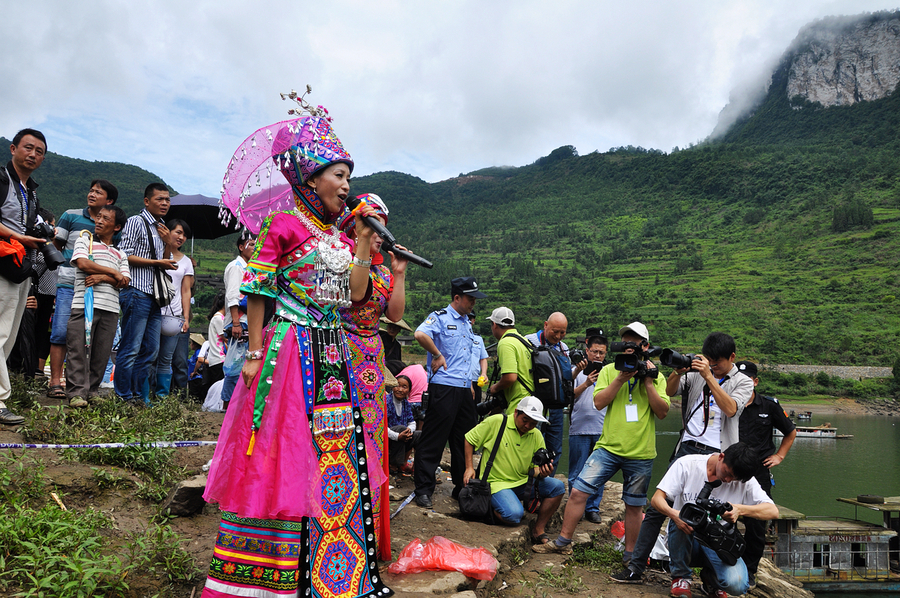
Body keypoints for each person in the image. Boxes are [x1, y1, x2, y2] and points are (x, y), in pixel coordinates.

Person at [200, 109, 391, 598]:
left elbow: (352, 297)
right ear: (311, 177)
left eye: (349, 177)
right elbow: (258, 285)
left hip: (332, 350)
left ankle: (332, 571)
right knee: (282, 450)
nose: (347, 186)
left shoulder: (342, 237)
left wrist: (365, 246)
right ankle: (265, 576)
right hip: (289, 348)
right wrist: (255, 350)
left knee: (331, 454)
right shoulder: (282, 224)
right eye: (339, 175)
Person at [615, 331, 754, 583]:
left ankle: (712, 575)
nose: (711, 365)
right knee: (659, 510)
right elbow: (669, 392)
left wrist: (709, 376)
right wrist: (679, 371)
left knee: (712, 515)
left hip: (719, 457)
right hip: (687, 449)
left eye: (717, 362)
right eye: (708, 360)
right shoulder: (695, 373)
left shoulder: (742, 381)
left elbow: (731, 409)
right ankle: (636, 567)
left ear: (732, 357)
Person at [535, 322, 669, 558]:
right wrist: (620, 378)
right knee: (578, 492)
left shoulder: (656, 376)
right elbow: (599, 403)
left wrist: (647, 381)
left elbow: (662, 412)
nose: (629, 347)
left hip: (641, 452)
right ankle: (563, 541)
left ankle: (631, 557)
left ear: (645, 346)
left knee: (635, 505)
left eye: (634, 342)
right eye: (625, 342)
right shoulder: (609, 371)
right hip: (608, 447)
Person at [337, 192, 408, 560]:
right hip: (342, 350)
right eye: (372, 223)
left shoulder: (381, 269)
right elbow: (356, 293)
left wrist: (398, 274)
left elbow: (394, 316)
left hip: (371, 356)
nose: (380, 232)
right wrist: (364, 246)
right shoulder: (342, 260)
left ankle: (370, 529)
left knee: (372, 437)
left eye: (382, 225)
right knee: (343, 433)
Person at [650, 443, 776, 598]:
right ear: (721, 456)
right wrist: (674, 514)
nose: (728, 480)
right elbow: (656, 499)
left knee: (738, 585)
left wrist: (739, 509)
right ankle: (681, 577)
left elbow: (773, 511)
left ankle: (711, 580)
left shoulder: (744, 480)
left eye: (733, 478)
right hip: (686, 536)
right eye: (727, 473)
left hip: (717, 542)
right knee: (683, 516)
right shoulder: (687, 464)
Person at [412, 275, 487, 508]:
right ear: (457, 297)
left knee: (463, 439)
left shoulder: (467, 323)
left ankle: (461, 487)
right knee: (434, 438)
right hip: (444, 386)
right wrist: (437, 353)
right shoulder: (440, 318)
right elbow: (419, 334)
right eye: (469, 298)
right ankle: (423, 489)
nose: (473, 303)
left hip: (465, 389)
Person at [47, 179, 118, 400]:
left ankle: (83, 386)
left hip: (98, 289)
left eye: (99, 192)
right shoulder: (71, 215)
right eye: (91, 190)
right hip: (69, 282)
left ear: (109, 201)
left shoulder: (111, 225)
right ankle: (55, 381)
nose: (92, 194)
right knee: (61, 332)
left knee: (88, 338)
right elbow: (56, 245)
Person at [464, 396, 565, 542]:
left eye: (533, 423)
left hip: (524, 481)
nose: (528, 426)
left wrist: (543, 473)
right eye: (525, 420)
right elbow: (469, 439)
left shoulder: (536, 434)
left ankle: (538, 529)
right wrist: (469, 467)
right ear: (516, 412)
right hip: (497, 483)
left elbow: (535, 469)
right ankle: (490, 508)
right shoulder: (498, 421)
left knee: (558, 487)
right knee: (513, 515)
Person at [0, 129, 48, 426]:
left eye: (39, 151)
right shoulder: (2, 180)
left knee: (9, 337)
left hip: (20, 267)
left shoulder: (30, 191)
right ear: (13, 148)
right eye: (28, 148)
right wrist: (19, 236)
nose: (33, 154)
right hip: (3, 262)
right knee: (0, 334)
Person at [736, 360, 797, 584]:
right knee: (723, 517)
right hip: (732, 470)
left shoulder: (769, 406)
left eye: (748, 380)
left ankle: (750, 569)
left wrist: (779, 456)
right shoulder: (729, 403)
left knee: (756, 523)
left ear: (755, 381)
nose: (743, 384)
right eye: (738, 380)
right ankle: (724, 563)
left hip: (759, 472)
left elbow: (790, 432)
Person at [116, 183, 176, 405]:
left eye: (167, 200)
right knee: (131, 347)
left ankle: (139, 396)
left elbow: (165, 261)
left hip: (154, 296)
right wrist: (156, 261)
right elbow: (124, 255)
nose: (164, 203)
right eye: (160, 199)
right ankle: (124, 396)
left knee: (151, 350)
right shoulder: (135, 222)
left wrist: (168, 244)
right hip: (136, 291)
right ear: (147, 201)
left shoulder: (161, 227)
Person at [65, 205, 130, 407]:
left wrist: (104, 276)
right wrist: (114, 274)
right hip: (83, 305)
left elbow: (125, 280)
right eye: (98, 217)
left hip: (110, 309)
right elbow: (83, 264)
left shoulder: (121, 254)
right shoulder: (85, 240)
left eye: (105, 219)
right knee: (78, 349)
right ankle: (76, 393)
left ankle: (91, 390)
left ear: (116, 226)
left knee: (101, 353)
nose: (99, 221)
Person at [568, 331, 608, 524]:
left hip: (602, 430)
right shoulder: (576, 370)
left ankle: (592, 508)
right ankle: (574, 507)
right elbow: (568, 396)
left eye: (601, 352)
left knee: (598, 473)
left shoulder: (610, 373)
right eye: (594, 352)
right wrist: (586, 383)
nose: (598, 356)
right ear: (587, 351)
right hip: (579, 428)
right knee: (576, 471)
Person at [525, 312, 571, 473]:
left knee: (555, 449)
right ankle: (529, 484)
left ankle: (548, 483)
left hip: (556, 406)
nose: (558, 336)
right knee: (532, 445)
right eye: (555, 331)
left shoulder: (564, 348)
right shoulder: (529, 342)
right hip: (534, 405)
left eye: (563, 332)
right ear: (545, 325)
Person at [155, 218, 195, 397]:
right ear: (166, 231)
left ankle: (166, 397)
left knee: (170, 358)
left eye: (185, 235)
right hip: (154, 310)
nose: (181, 237)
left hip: (174, 315)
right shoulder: (155, 253)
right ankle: (147, 393)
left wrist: (185, 318)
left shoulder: (186, 261)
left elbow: (186, 291)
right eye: (178, 232)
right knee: (151, 355)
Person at [219, 228, 255, 410]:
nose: (254, 248)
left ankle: (236, 404)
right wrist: (235, 322)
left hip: (246, 320)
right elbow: (233, 295)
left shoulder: (249, 268)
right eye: (251, 244)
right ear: (241, 247)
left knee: (243, 361)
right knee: (235, 364)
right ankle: (227, 404)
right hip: (239, 320)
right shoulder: (236, 267)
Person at [486, 306, 533, 415]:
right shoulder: (524, 341)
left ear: (494, 325)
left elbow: (510, 378)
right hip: (532, 403)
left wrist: (495, 388)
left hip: (519, 406)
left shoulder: (506, 343)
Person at [387, 374, 420, 474]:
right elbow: (381, 426)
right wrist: (398, 436)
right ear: (392, 387)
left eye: (404, 387)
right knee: (401, 428)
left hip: (402, 436)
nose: (400, 389)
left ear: (409, 391)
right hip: (388, 439)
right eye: (397, 385)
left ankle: (415, 466)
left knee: (419, 435)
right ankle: (393, 465)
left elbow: (412, 421)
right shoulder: (386, 402)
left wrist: (409, 430)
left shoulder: (406, 403)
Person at [202, 291, 227, 399]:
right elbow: (225, 338)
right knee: (218, 386)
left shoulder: (218, 318)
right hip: (219, 357)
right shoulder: (218, 318)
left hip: (218, 358)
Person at [468, 311, 489, 403]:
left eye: (470, 319)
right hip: (461, 380)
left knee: (475, 409)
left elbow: (483, 358)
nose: (468, 321)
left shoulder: (478, 339)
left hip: (476, 379)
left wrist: (484, 373)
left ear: (473, 321)